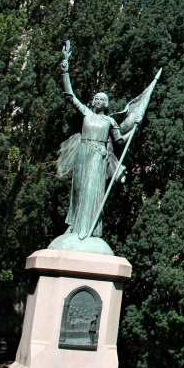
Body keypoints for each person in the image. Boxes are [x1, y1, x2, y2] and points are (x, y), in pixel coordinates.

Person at [57, 43, 132, 239]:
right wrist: (65, 71)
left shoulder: (110, 121)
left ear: (106, 104)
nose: (98, 101)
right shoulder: (86, 113)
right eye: (96, 98)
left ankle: (88, 227)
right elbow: (71, 96)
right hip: (83, 153)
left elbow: (119, 142)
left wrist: (132, 131)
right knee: (78, 190)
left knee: (91, 191)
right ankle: (73, 225)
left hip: (98, 158)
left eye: (101, 99)